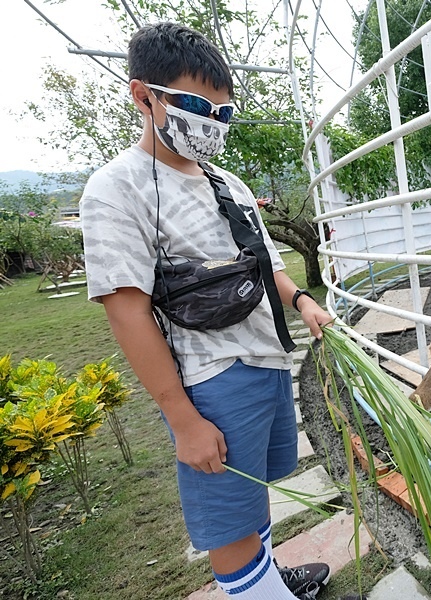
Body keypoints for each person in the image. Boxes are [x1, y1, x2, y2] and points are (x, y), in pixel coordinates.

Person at [80, 22, 333, 599]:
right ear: (144, 95)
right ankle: (257, 588)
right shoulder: (118, 189)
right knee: (228, 522)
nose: (211, 125)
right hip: (210, 382)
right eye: (197, 106)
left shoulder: (230, 184)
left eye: (223, 113)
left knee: (252, 495)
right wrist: (184, 420)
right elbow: (126, 312)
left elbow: (265, 264)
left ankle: (269, 580)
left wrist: (301, 300)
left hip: (268, 362)